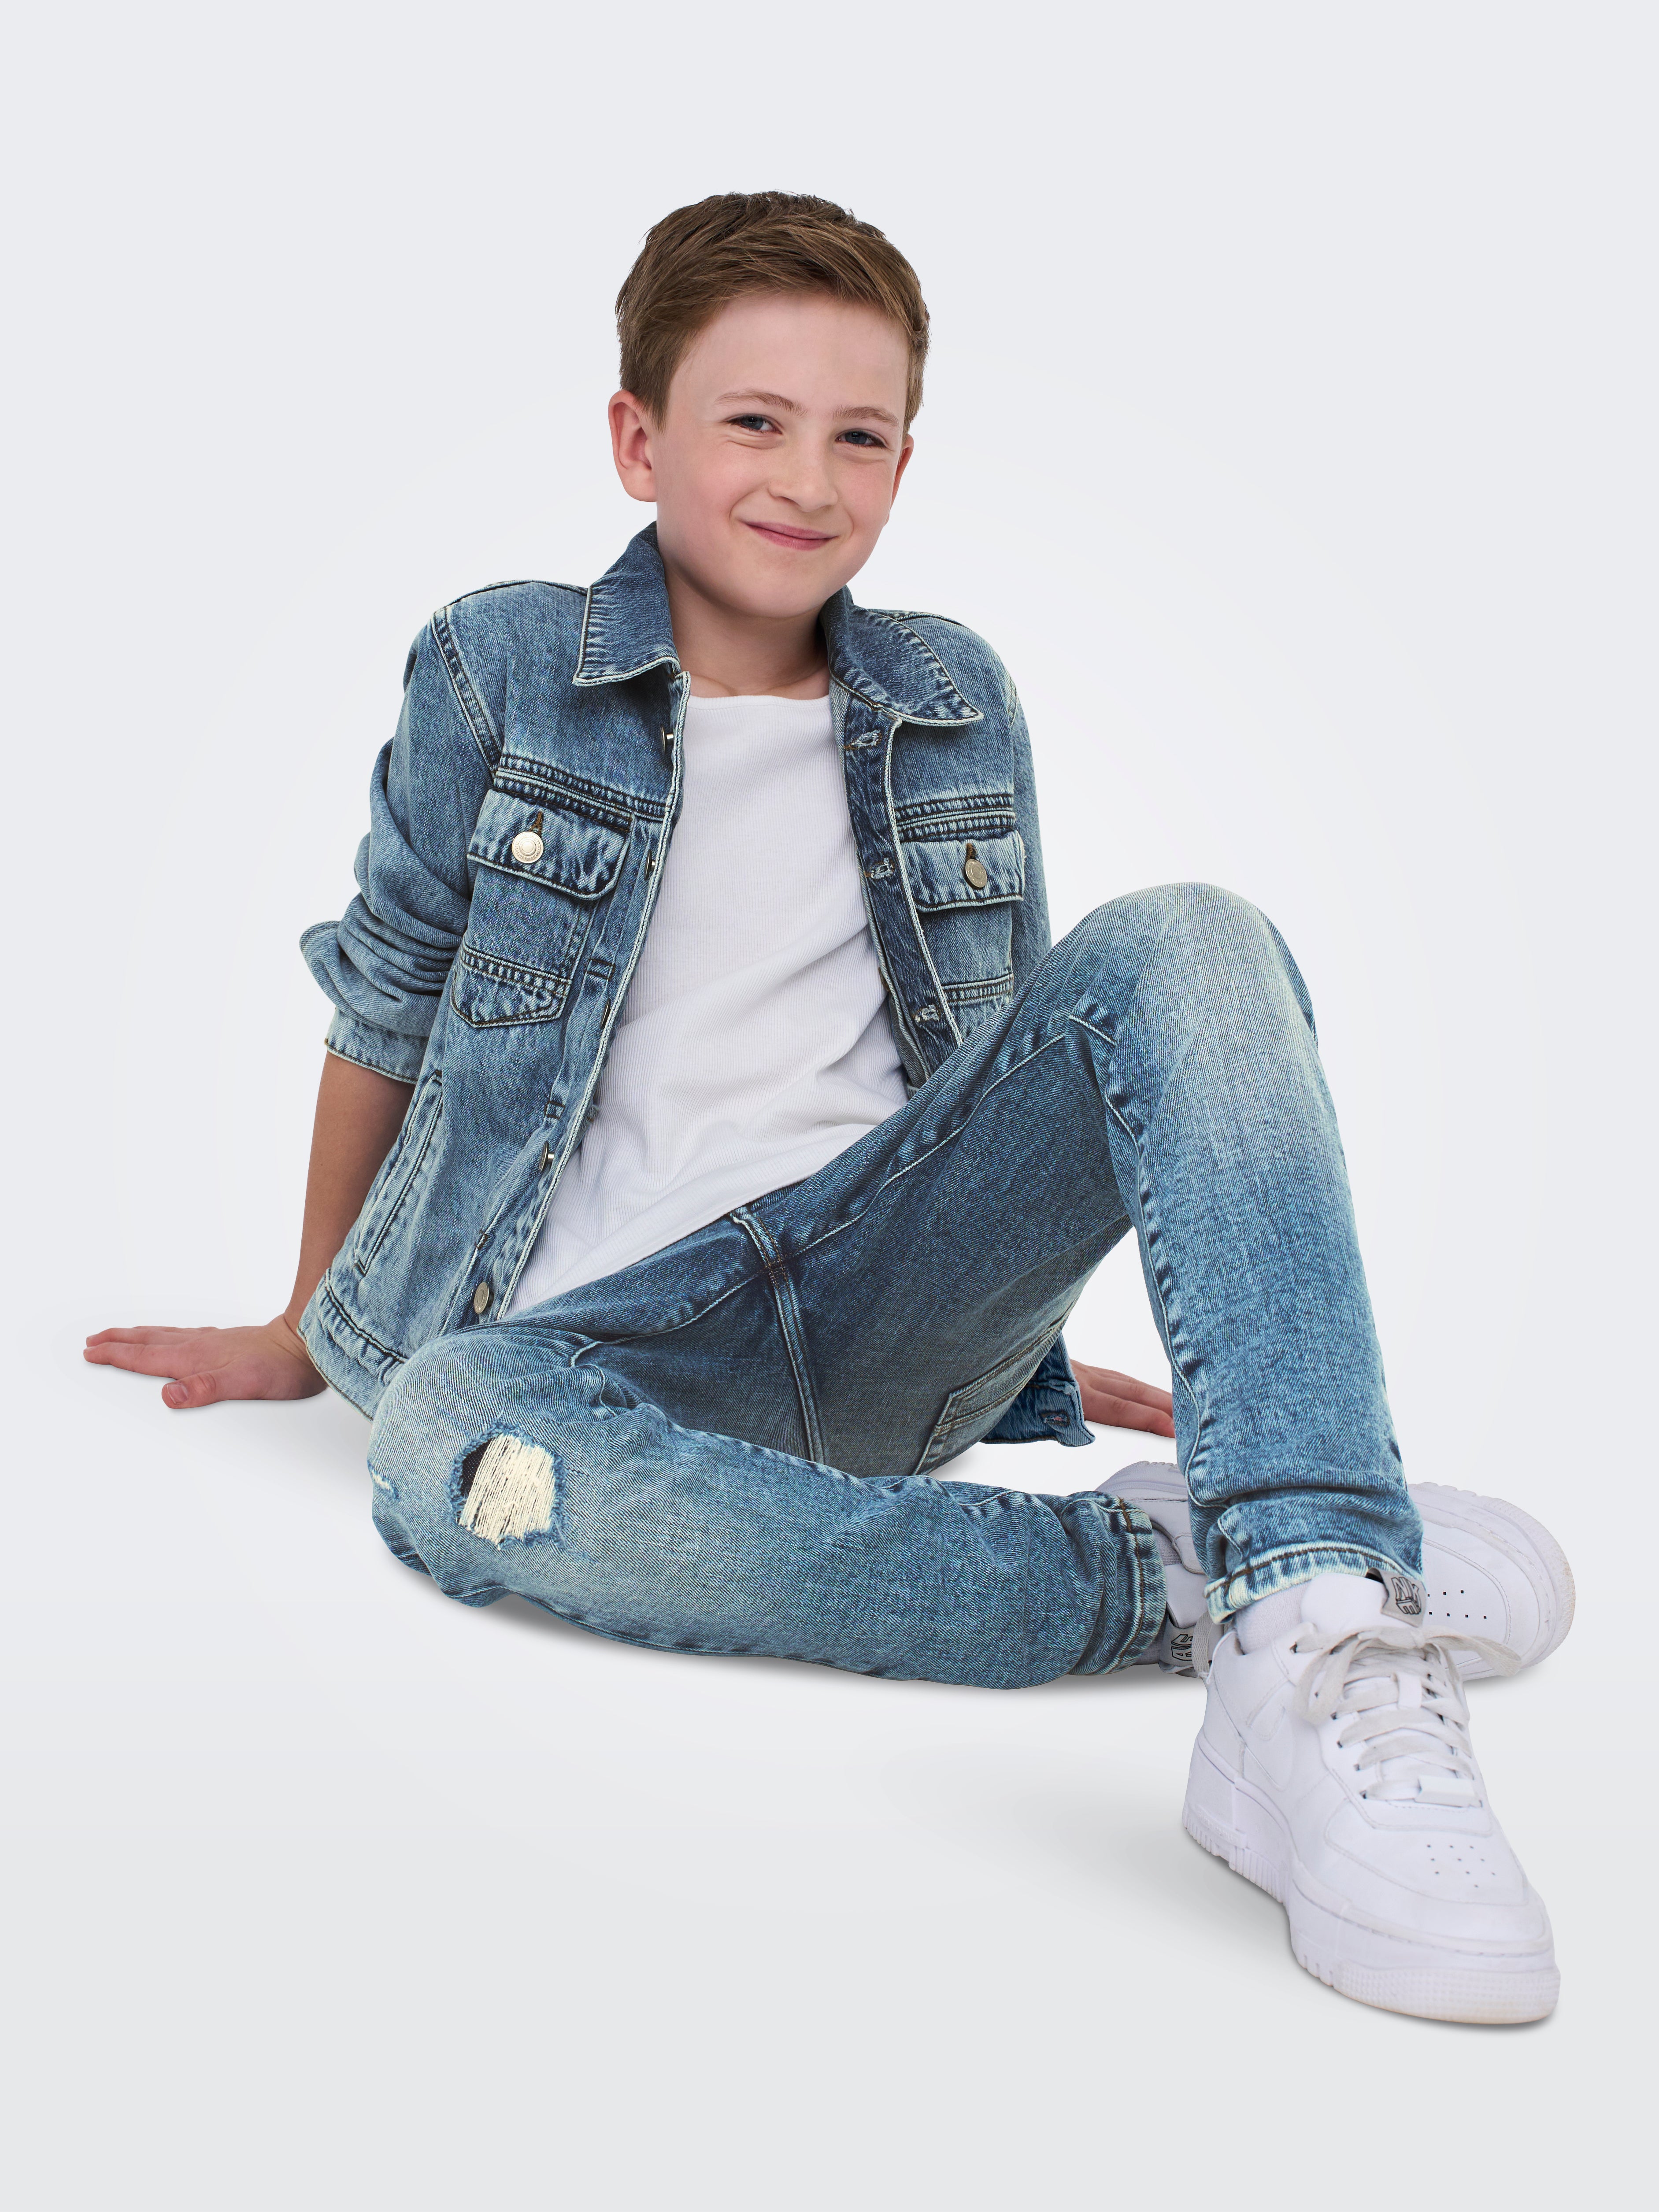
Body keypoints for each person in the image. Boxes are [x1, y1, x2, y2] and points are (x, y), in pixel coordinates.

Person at [86, 192, 1572, 2024]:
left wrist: (1026, 1341)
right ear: (638, 438)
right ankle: (1204, 1576)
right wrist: (307, 1317)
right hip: (582, 1354)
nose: (808, 479)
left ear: (905, 463)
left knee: (1189, 940)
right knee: (443, 1433)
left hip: (875, 1307)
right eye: (754, 421)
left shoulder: (954, 695)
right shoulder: (499, 664)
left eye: (859, 435)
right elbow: (389, 995)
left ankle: (1325, 1599)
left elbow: (1029, 1065)